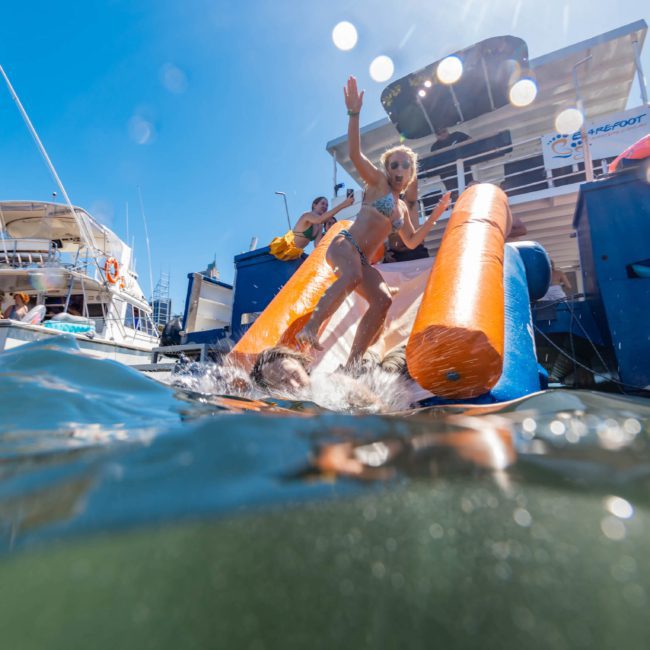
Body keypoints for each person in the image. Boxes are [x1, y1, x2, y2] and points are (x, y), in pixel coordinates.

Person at [295, 76, 451, 370]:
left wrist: (436, 213)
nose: (399, 169)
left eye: (405, 165)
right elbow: (355, 153)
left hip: (363, 262)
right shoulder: (377, 183)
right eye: (394, 164)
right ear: (387, 169)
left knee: (382, 301)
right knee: (352, 275)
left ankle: (352, 365)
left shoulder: (402, 208)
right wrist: (354, 114)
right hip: (345, 246)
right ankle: (310, 330)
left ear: (411, 173)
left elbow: (413, 241)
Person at [250, 345, 387, 411]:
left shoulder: (337, 384)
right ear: (272, 390)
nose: (294, 385)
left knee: (379, 357)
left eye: (295, 374)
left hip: (367, 373)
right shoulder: (274, 406)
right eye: (283, 382)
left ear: (303, 366)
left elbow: (381, 407)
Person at [269, 194, 354, 261]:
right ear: (314, 205)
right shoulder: (307, 215)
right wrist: (343, 205)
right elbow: (320, 219)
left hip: (295, 254)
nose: (325, 206)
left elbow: (317, 244)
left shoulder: (320, 226)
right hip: (285, 249)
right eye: (322, 203)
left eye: (327, 205)